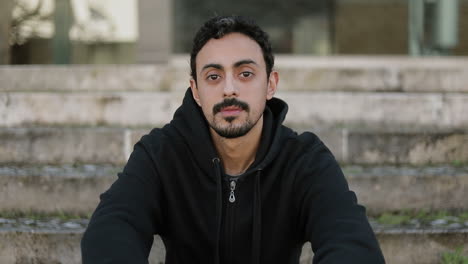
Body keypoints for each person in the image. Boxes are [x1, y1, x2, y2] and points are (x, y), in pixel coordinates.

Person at [81, 15, 385, 264]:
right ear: (196, 91)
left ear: (270, 84)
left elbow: (351, 243)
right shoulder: (161, 154)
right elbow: (113, 228)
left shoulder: (304, 160)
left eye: (245, 74)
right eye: (214, 76)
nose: (229, 89)